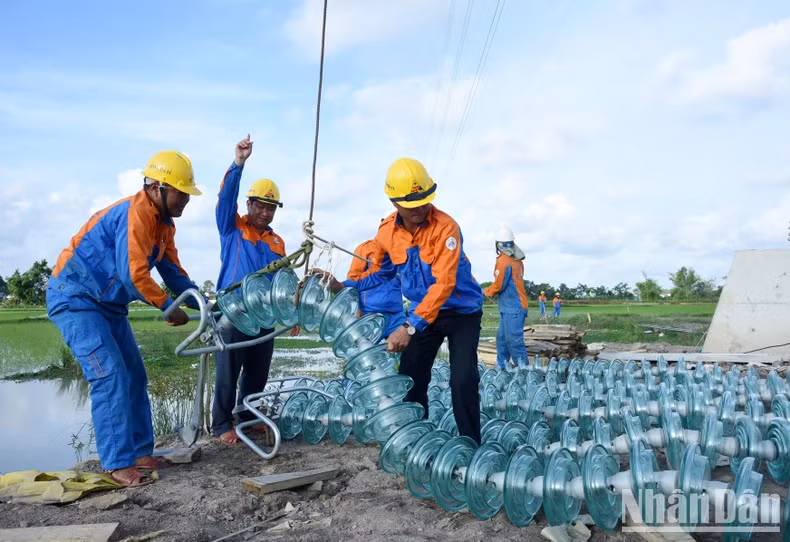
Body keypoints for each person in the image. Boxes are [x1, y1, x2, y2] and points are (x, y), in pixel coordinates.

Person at [46, 150, 203, 487]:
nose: (186, 200)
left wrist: (202, 303)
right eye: (181, 192)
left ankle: (142, 452)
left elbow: (173, 271)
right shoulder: (136, 215)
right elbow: (133, 274)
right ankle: (117, 464)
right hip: (76, 300)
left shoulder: (164, 225)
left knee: (134, 374)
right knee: (110, 375)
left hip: (109, 307)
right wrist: (167, 307)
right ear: (158, 187)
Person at [316, 157, 484, 444]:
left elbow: (444, 284)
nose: (419, 207)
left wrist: (408, 327)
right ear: (394, 202)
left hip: (461, 311)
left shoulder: (447, 228)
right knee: (411, 375)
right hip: (423, 313)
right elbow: (381, 274)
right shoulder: (386, 233)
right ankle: (417, 438)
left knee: (463, 379)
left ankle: (471, 443)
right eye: (411, 202)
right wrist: (341, 285)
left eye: (423, 199)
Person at [212, 135, 298, 447]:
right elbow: (224, 199)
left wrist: (294, 309)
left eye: (271, 208)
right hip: (234, 313)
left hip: (264, 317)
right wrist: (239, 163)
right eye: (260, 206)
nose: (265, 213)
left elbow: (285, 282)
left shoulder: (277, 244)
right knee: (229, 370)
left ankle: (248, 418)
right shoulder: (232, 228)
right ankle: (221, 424)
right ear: (249, 204)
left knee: (258, 370)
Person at [483, 226, 528, 370]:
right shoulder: (517, 260)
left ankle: (525, 373)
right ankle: (501, 369)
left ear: (498, 244)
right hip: (509, 307)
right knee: (502, 340)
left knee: (514, 342)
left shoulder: (504, 261)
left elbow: (499, 285)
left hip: (514, 308)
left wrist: (486, 292)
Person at [346, 239, 405, 339]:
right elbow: (353, 279)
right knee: (364, 350)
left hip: (397, 315)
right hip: (370, 314)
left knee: (410, 349)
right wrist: (356, 308)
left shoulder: (403, 250)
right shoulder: (365, 248)